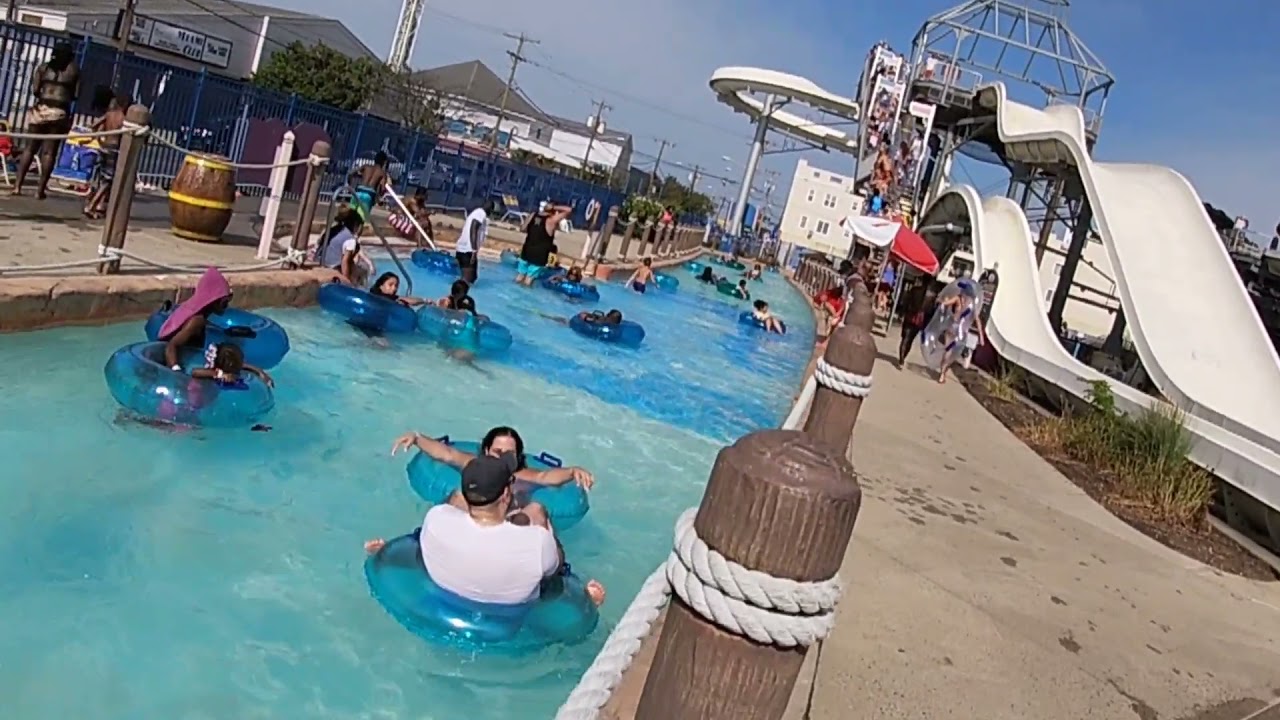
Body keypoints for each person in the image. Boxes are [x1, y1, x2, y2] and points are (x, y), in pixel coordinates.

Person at [364, 453, 605, 607]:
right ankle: (586, 601)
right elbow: (554, 568)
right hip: (511, 614)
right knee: (539, 520)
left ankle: (390, 554)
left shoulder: (436, 517)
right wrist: (542, 526)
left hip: (441, 590)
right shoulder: (537, 542)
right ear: (506, 494)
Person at [156, 267, 273, 385]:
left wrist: (257, 370)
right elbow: (172, 345)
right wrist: (176, 373)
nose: (226, 306)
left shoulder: (202, 320)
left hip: (195, 367)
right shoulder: (196, 321)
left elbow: (219, 357)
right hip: (188, 372)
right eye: (224, 303)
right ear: (213, 300)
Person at [12, 42, 80, 199]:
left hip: (40, 110)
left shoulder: (43, 68)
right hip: (59, 112)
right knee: (49, 152)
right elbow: (76, 94)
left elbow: (35, 90)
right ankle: (39, 190)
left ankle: (17, 186)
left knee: (29, 149)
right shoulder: (74, 70)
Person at [82, 88, 128, 219]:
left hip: (104, 146)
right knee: (108, 181)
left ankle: (99, 205)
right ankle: (92, 205)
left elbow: (94, 125)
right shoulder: (124, 119)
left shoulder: (109, 114)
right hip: (115, 149)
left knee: (101, 176)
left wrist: (98, 140)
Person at [516, 202, 573, 286]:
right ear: (554, 211)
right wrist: (554, 207)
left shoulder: (533, 215)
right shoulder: (551, 220)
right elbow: (569, 210)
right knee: (529, 279)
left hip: (527, 250)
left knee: (519, 276)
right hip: (539, 254)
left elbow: (522, 228)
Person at [936, 290, 985, 385]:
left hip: (954, 330)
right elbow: (977, 321)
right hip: (959, 333)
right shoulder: (971, 305)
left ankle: (942, 373)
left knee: (948, 353)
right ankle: (943, 372)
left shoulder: (959, 299)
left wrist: (941, 300)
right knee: (951, 354)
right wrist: (981, 336)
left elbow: (945, 303)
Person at [190, 342, 273, 388]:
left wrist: (260, 372)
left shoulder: (229, 366)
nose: (242, 362)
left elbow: (244, 365)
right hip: (199, 393)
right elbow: (195, 372)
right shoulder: (212, 372)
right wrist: (221, 375)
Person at [321, 210, 367, 286]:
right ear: (356, 225)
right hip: (333, 267)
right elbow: (345, 261)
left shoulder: (333, 230)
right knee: (361, 273)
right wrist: (346, 280)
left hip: (321, 262)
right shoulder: (350, 239)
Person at [897, 284, 937, 369]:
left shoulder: (914, 290)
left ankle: (901, 359)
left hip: (910, 316)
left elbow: (906, 302)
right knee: (910, 340)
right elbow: (930, 312)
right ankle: (903, 358)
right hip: (919, 320)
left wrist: (901, 313)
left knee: (905, 338)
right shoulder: (931, 296)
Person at [349, 151, 389, 227]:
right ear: (384, 162)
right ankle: (356, 233)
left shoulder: (366, 166)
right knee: (360, 220)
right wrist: (379, 197)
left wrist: (350, 185)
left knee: (349, 216)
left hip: (358, 192)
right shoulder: (382, 173)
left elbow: (351, 173)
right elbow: (382, 188)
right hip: (368, 195)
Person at [456, 204, 486, 284]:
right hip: (468, 250)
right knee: (468, 280)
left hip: (463, 249)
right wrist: (474, 250)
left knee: (471, 278)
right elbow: (474, 227)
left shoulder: (476, 212)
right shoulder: (481, 213)